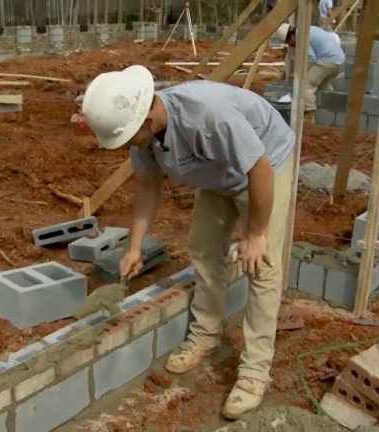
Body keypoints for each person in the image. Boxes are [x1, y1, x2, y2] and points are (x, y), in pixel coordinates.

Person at [81, 65, 296, 420]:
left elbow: (259, 169)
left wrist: (255, 233)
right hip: (219, 174)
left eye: (127, 137)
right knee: (203, 248)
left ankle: (256, 371)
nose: (126, 145)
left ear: (146, 119)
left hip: (265, 165)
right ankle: (206, 334)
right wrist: (134, 247)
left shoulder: (207, 117)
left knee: (262, 265)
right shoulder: (145, 137)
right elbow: (148, 187)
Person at [277, 23, 345, 122]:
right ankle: (330, 111)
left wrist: (300, 73)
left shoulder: (301, 36)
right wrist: (286, 73)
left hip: (328, 61)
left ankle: (309, 114)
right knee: (322, 85)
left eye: (288, 42)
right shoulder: (305, 29)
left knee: (307, 84)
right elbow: (291, 59)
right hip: (338, 61)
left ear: (291, 35)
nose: (290, 45)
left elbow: (311, 59)